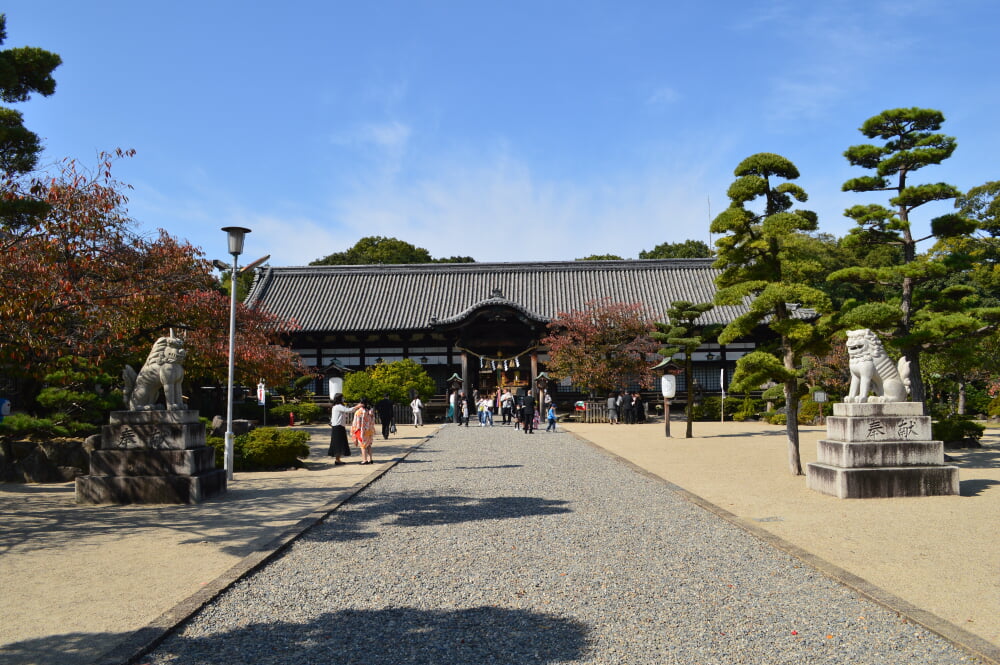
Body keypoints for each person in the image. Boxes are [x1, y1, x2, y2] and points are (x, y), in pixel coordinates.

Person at [328, 393, 360, 465]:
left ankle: (338, 459)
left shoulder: (336, 406)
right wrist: (358, 406)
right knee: (338, 443)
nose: (343, 399)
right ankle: (337, 459)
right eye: (342, 398)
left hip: (339, 426)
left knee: (339, 443)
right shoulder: (338, 406)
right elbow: (348, 410)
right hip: (338, 426)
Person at [350, 397, 376, 464]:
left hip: (361, 430)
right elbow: (372, 421)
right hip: (369, 430)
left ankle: (365, 460)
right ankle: (370, 459)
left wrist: (353, 431)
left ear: (361, 403)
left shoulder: (358, 412)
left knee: (363, 446)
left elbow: (355, 423)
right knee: (369, 445)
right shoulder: (369, 411)